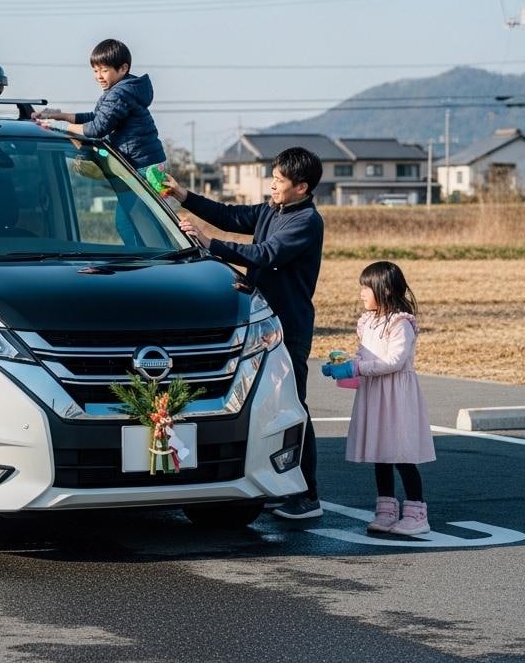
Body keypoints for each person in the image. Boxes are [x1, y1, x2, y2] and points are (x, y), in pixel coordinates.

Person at [164, 147, 325, 520]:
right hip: (263, 326)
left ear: (301, 187)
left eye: (280, 180)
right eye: (274, 176)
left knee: (292, 406)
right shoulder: (274, 209)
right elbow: (230, 215)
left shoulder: (306, 222)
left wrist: (210, 244)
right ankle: (278, 483)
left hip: (290, 327)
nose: (273, 184)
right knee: (264, 406)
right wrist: (184, 195)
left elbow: (266, 254)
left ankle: (308, 494)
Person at [322, 261, 435, 535]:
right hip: (375, 393)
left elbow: (394, 361)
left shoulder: (400, 324)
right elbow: (364, 356)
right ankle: (386, 512)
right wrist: (345, 366)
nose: (361, 293)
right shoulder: (368, 322)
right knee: (380, 453)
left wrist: (357, 367)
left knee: (402, 453)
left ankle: (417, 514)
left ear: (383, 290)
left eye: (365, 288)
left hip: (396, 395)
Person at [33, 38, 164, 171]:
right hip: (147, 161)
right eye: (95, 71)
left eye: (104, 71)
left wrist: (59, 126)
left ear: (123, 68)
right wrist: (61, 116)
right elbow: (97, 118)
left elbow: (97, 128)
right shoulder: (125, 89)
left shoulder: (119, 93)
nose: (99, 76)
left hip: (141, 165)